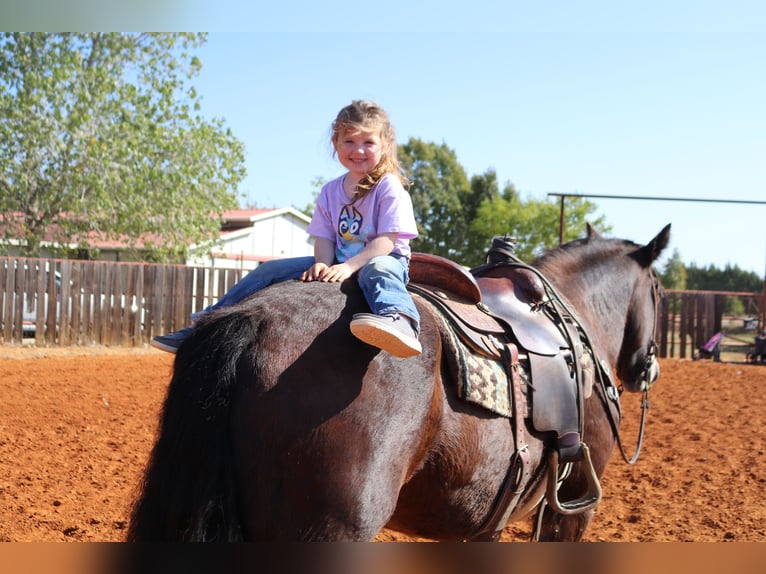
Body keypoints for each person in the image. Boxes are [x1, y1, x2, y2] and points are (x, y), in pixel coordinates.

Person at [150, 100, 422, 358]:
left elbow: (386, 241)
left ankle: (400, 320)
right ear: (335, 143)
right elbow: (325, 236)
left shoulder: (388, 186)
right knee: (268, 271)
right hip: (339, 261)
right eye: (349, 141)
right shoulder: (330, 191)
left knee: (378, 270)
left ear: (385, 145)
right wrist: (322, 264)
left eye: (368, 142)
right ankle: (203, 327)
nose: (357, 150)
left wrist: (348, 267)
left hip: (382, 259)